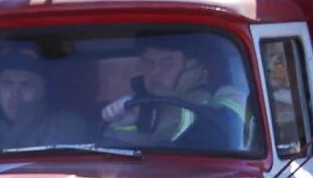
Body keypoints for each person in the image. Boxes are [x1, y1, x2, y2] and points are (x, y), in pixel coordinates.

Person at [101, 35, 249, 149]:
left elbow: (225, 136)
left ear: (190, 66)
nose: (155, 71)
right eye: (148, 63)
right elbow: (116, 159)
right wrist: (127, 123)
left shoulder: (226, 96)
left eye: (166, 63)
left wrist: (169, 102)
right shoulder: (135, 106)